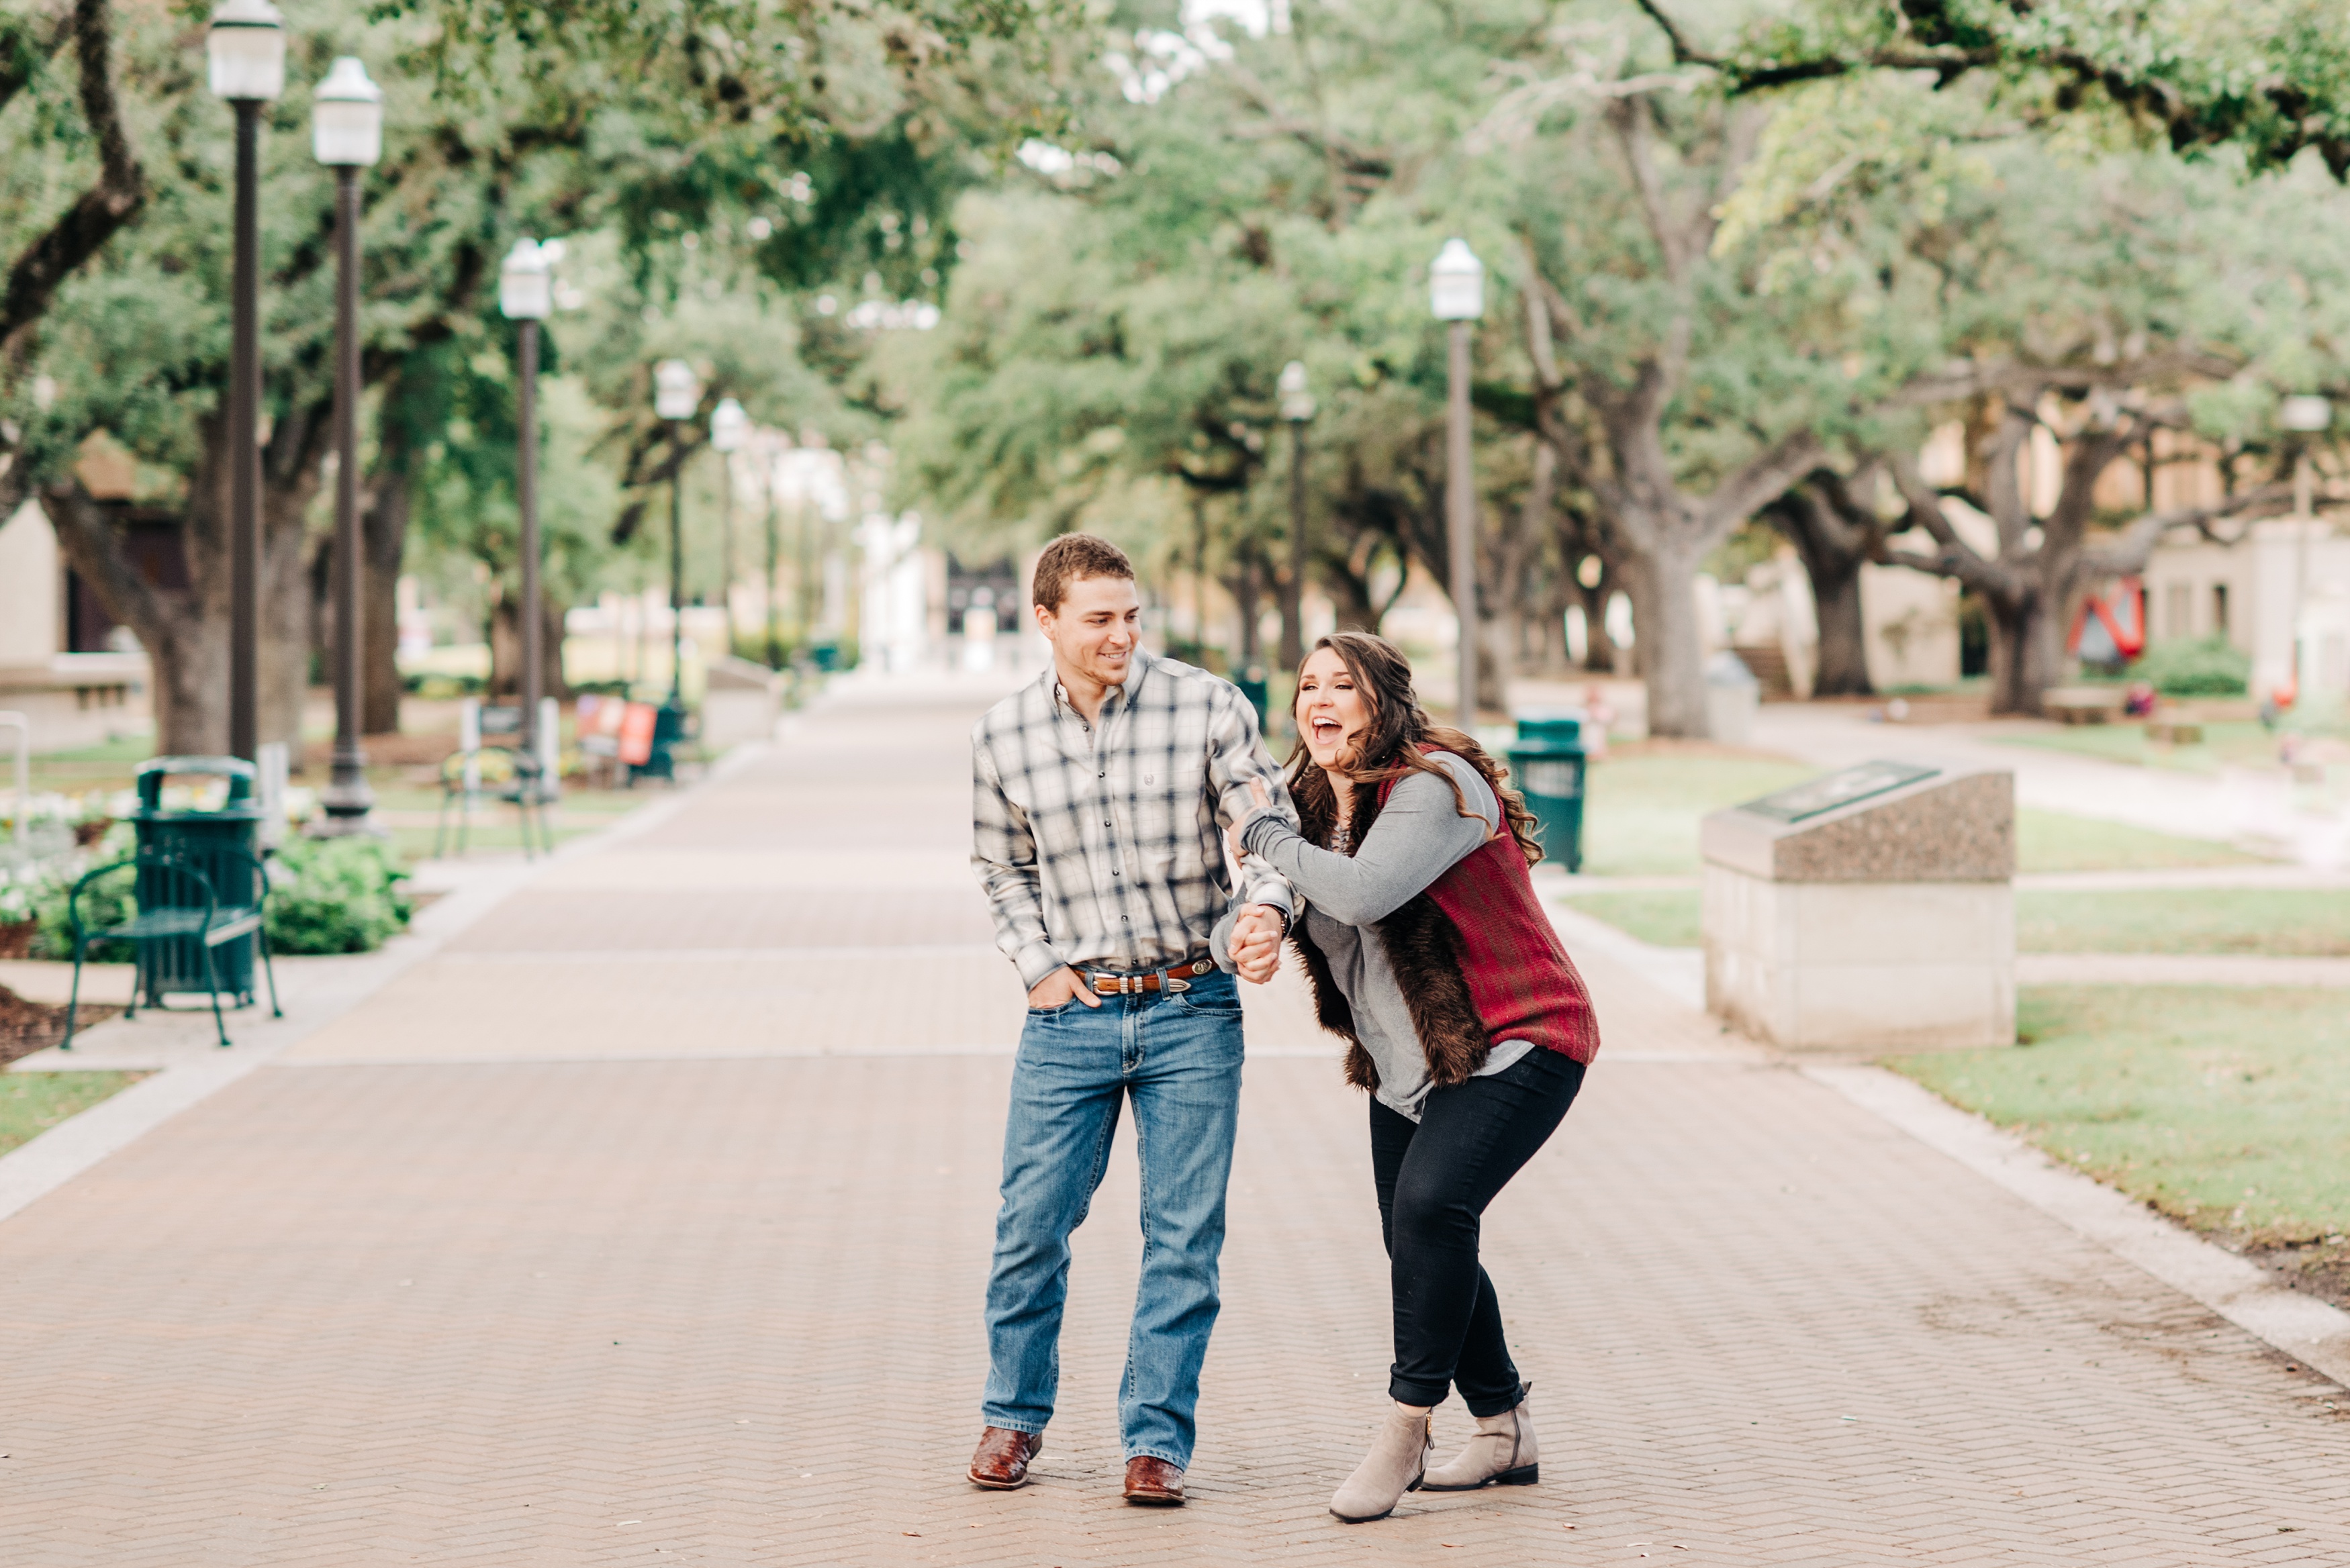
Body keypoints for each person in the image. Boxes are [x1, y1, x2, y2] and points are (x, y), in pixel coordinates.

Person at [1231, 630, 1602, 1523]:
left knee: (1433, 1210)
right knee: (1421, 1235)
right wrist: (1248, 931)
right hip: (1409, 1061)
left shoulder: (1435, 786)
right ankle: (1505, 1424)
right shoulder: (1315, 802)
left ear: (1383, 701)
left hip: (1520, 1034)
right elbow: (1272, 889)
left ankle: (1405, 1429)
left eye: (1342, 686)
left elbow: (1359, 893)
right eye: (1307, 686)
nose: (1319, 701)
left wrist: (1261, 832)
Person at [966, 533, 1294, 1507]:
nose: (1122, 634)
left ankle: (1157, 1442)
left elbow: (1265, 828)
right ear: (1048, 621)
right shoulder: (1003, 735)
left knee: (1183, 1238)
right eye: (1100, 619)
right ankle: (1012, 1418)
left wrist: (1267, 908)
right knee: (1031, 1226)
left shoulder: (1206, 705)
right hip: (1071, 1017)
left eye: (1132, 615)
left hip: (1193, 1005)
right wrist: (1036, 966)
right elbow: (999, 867)